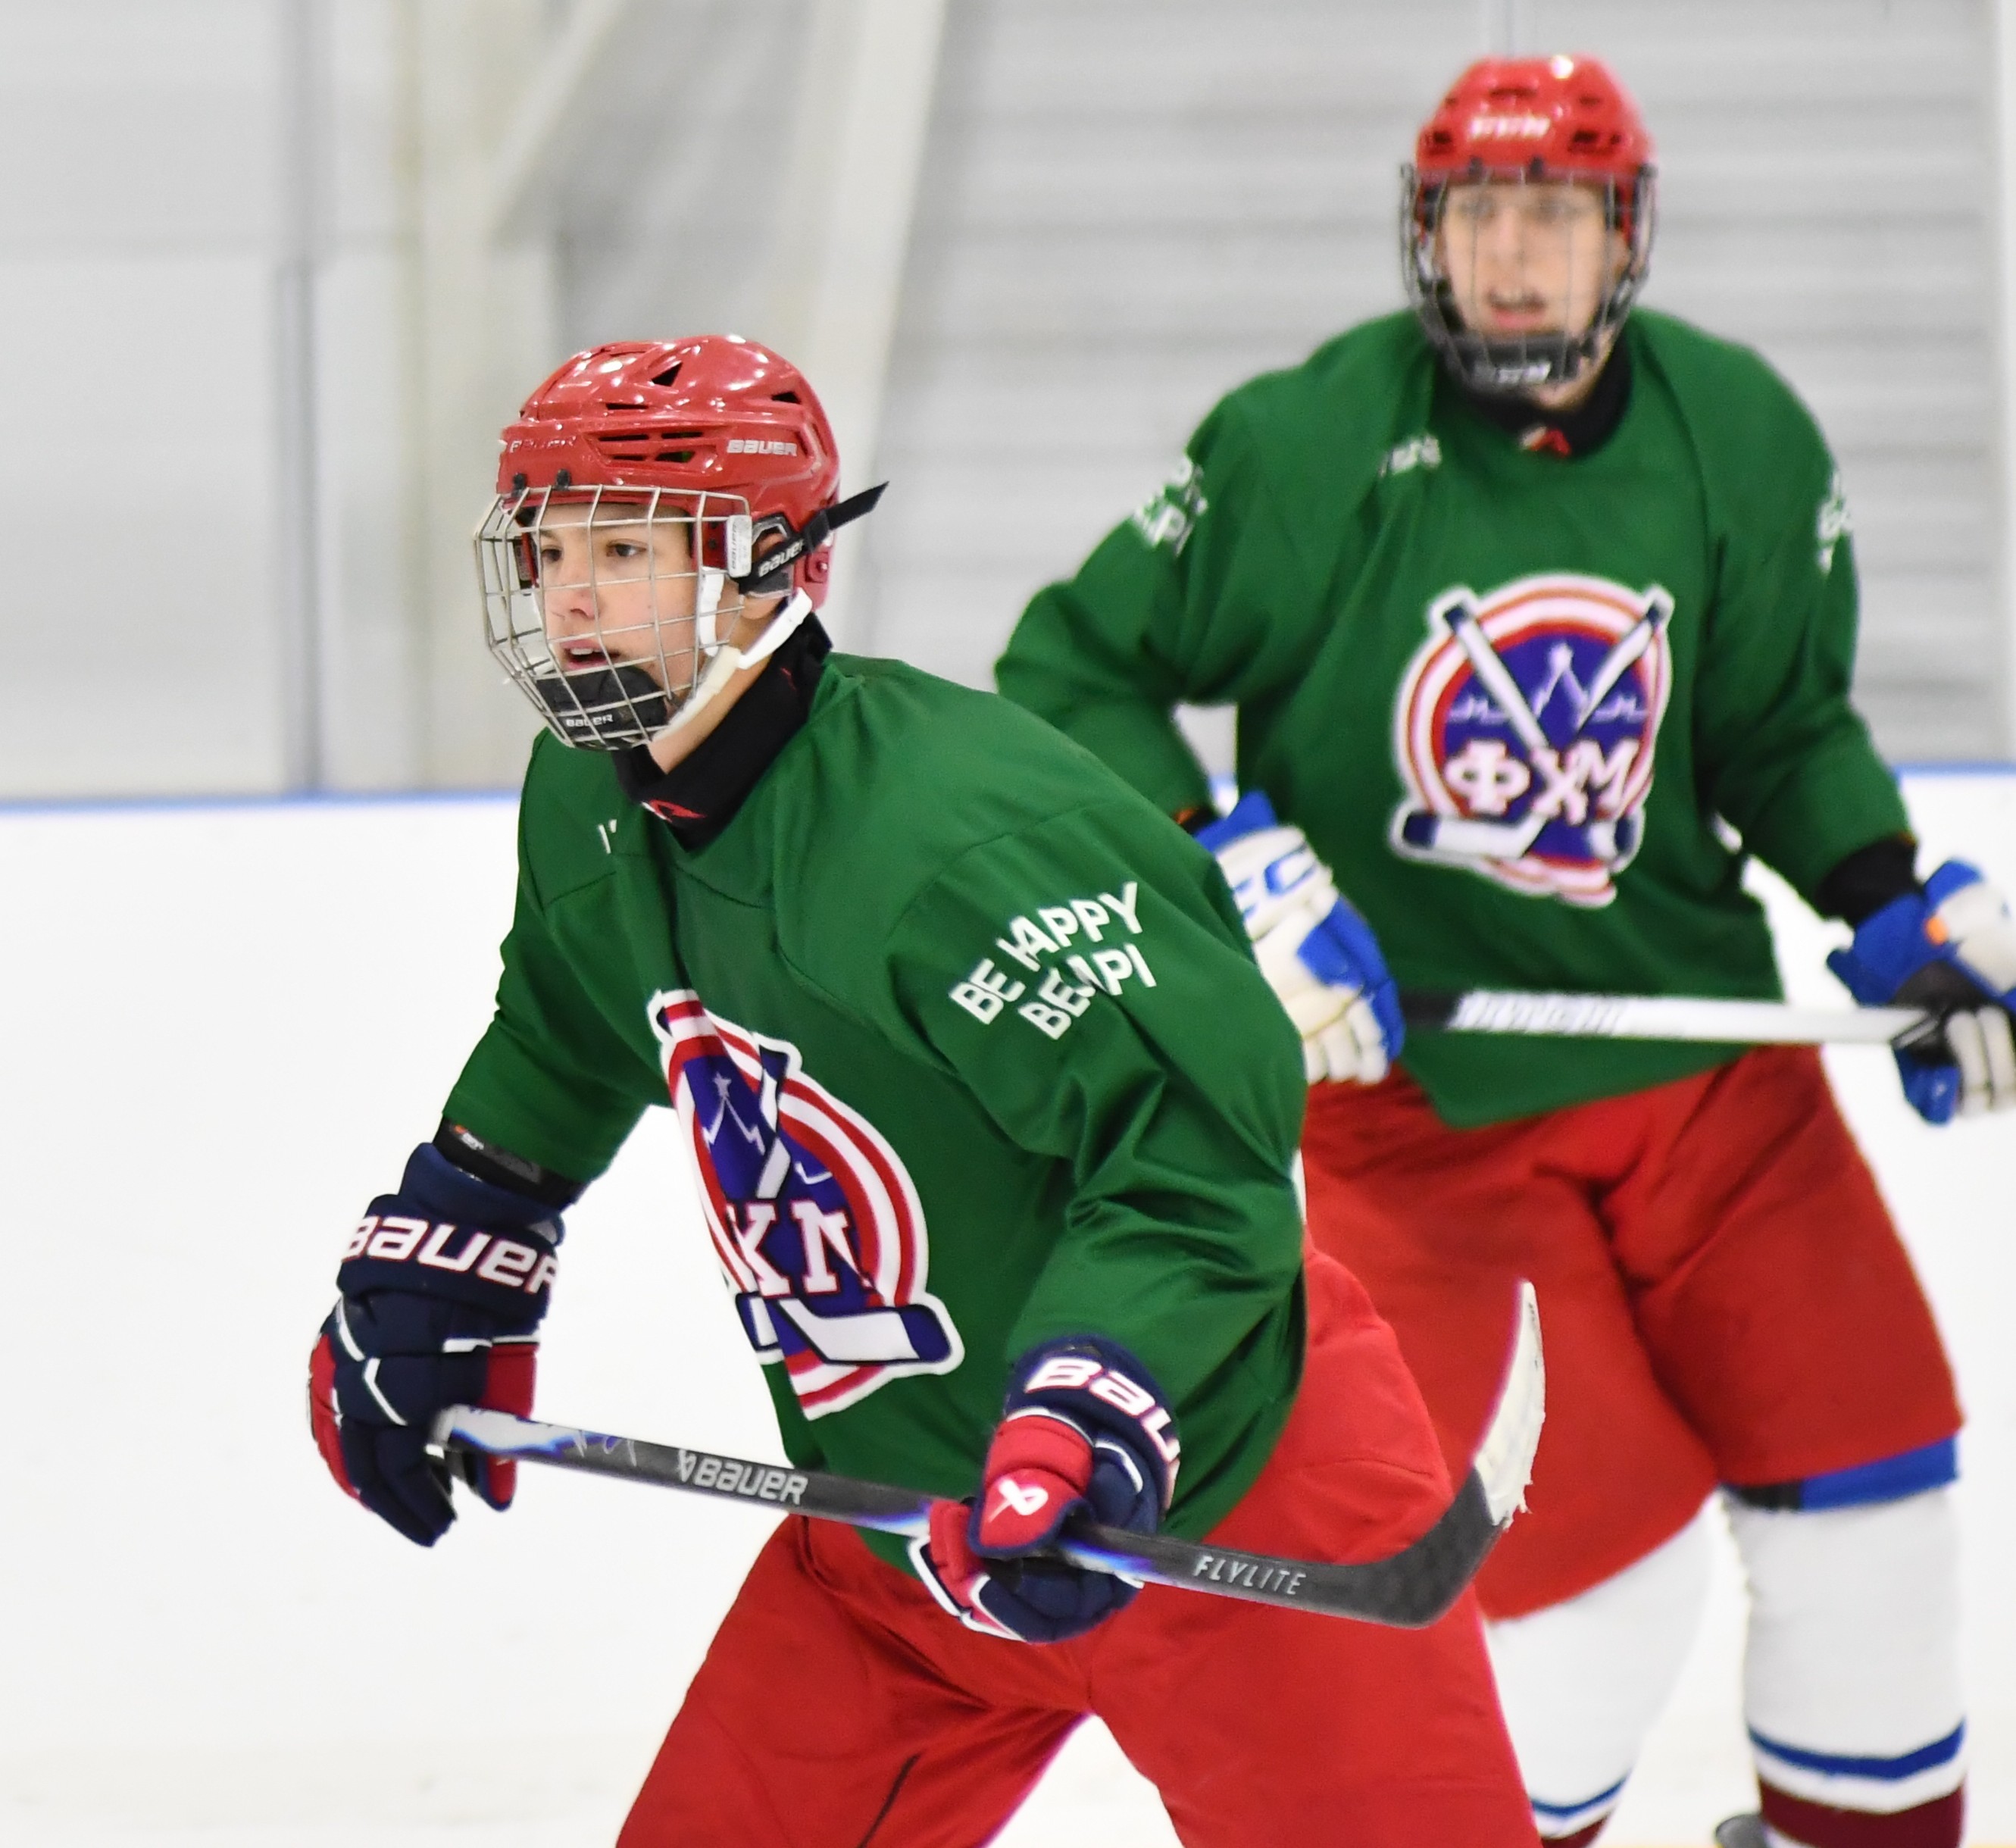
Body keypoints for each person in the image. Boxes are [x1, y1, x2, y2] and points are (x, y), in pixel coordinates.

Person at [304, 334, 1541, 1846]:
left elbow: (1187, 1157)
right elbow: (569, 1020)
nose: (567, 596)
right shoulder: (590, 797)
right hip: (894, 1539)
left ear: (766, 569)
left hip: (1218, 1484)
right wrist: (460, 1232)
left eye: (620, 548)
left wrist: (1086, 1410)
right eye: (550, 544)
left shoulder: (961, 840)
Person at [996, 53, 2016, 1848]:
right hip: (1417, 1109)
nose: (1511, 258)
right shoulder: (1306, 442)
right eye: (1477, 213)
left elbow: (1771, 726)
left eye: (1552, 213)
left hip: (1704, 1072)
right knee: (1582, 1583)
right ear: (1426, 231)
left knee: (1871, 1507)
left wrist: (1887, 900)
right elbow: (1071, 671)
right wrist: (1220, 855)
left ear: (1620, 237)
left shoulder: (1738, 431)